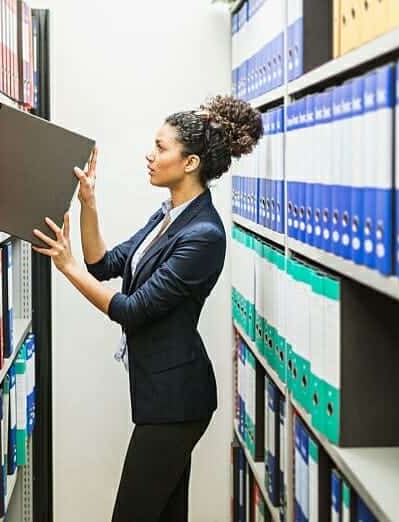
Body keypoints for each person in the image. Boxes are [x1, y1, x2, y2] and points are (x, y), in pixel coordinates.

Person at [32, 94, 264, 522]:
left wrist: (65, 267)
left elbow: (132, 309)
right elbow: (104, 264)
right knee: (166, 514)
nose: (150, 155)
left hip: (177, 401)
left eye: (161, 147)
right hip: (162, 395)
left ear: (189, 162)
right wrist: (88, 202)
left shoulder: (204, 234)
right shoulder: (170, 216)